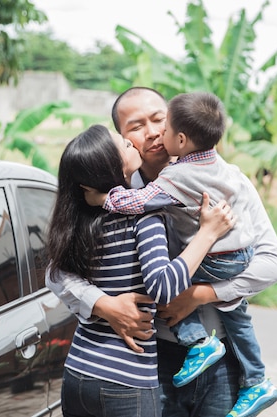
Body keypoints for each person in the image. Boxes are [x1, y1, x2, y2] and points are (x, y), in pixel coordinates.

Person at [47, 86, 277, 417]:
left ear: (174, 125)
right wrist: (103, 305)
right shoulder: (116, 197)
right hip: (151, 361)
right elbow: (57, 270)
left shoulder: (227, 182)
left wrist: (200, 294)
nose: (152, 133)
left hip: (222, 359)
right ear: (122, 139)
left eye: (159, 119)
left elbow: (274, 264)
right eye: (136, 126)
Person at [45, 124, 235, 417]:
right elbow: (162, 287)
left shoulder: (80, 219)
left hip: (77, 372)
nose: (129, 142)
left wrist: (101, 303)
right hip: (125, 379)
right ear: (111, 168)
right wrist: (207, 234)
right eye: (122, 144)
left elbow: (57, 273)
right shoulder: (144, 217)